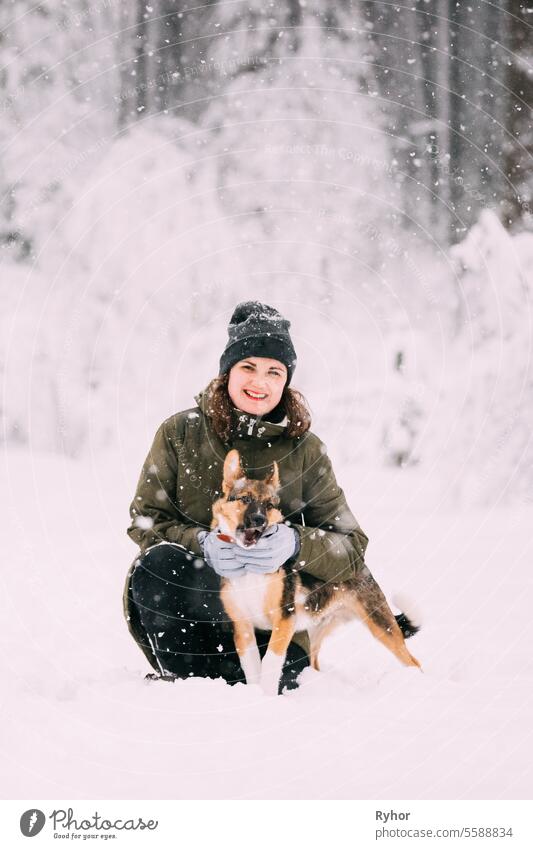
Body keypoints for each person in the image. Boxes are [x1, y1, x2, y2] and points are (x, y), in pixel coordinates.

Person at [124, 301, 369, 692]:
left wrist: (293, 544)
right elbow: (144, 520)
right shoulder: (179, 434)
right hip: (197, 613)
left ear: (286, 381)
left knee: (283, 677)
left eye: (274, 371)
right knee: (158, 564)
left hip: (276, 627)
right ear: (227, 372)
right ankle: (186, 681)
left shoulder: (306, 451)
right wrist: (203, 545)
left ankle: (248, 681)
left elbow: (352, 547)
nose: (260, 381)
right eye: (248, 367)